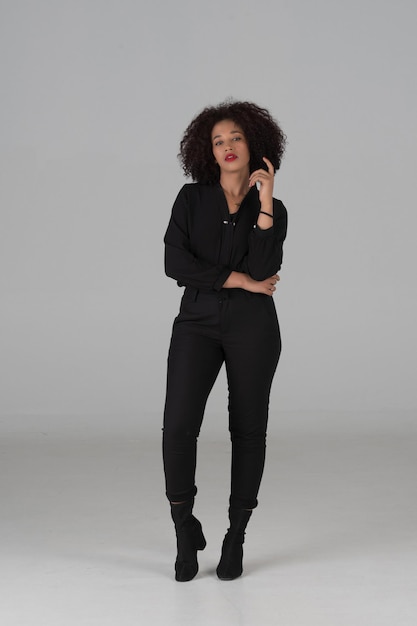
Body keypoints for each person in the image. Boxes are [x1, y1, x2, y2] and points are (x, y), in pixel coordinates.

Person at [162, 100, 288, 582]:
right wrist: (238, 280)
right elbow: (176, 265)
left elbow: (264, 270)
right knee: (178, 426)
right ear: (206, 153)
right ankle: (183, 528)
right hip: (196, 322)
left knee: (248, 429)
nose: (228, 146)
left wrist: (267, 199)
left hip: (253, 327)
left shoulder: (272, 210)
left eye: (236, 137)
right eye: (218, 141)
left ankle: (236, 536)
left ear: (253, 144)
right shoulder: (191, 200)